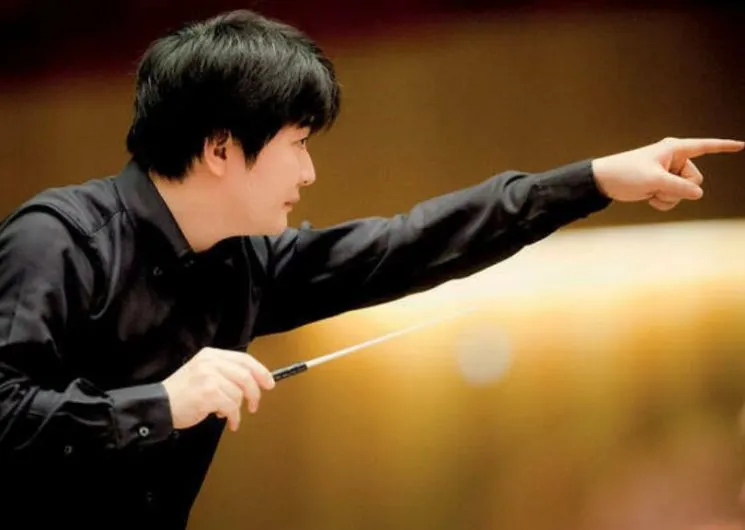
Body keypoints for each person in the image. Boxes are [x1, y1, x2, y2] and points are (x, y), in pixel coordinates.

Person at [0, 8, 741, 530]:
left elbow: (409, 242)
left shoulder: (243, 259)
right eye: (297, 143)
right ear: (221, 148)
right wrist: (160, 403)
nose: (309, 171)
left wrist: (594, 180)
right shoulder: (58, 240)